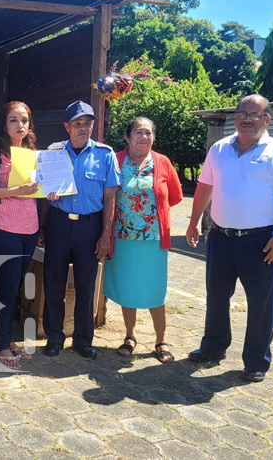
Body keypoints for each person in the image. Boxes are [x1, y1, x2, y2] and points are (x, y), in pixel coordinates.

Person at [185, 94, 273, 383]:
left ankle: (256, 361)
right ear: (235, 117)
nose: (246, 119)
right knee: (217, 296)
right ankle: (213, 347)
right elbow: (204, 187)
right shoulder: (219, 149)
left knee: (261, 302)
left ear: (266, 119)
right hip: (221, 237)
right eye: (241, 113)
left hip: (261, 241)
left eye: (254, 114)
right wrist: (193, 222)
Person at [0, 101, 57, 369]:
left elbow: (38, 189)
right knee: (6, 290)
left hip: (29, 230)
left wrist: (51, 191)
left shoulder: (34, 154)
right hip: (3, 229)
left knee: (14, 288)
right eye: (13, 120)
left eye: (24, 120)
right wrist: (16, 190)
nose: (19, 125)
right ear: (4, 123)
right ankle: (0, 345)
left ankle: (7, 340)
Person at [40, 100, 120, 359]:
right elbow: (43, 194)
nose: (83, 128)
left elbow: (110, 198)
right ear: (67, 126)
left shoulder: (105, 155)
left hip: (90, 226)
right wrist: (42, 226)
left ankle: (83, 340)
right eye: (77, 124)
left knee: (87, 286)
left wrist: (106, 234)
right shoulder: (53, 152)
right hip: (59, 224)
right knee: (54, 283)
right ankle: (54, 337)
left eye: (88, 123)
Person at [105, 117, 182, 362]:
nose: (144, 137)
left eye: (148, 133)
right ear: (127, 137)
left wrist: (149, 215)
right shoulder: (115, 161)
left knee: (155, 290)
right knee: (128, 287)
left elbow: (175, 196)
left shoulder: (163, 162)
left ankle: (161, 340)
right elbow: (106, 195)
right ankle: (130, 336)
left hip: (153, 239)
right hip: (122, 237)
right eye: (138, 132)